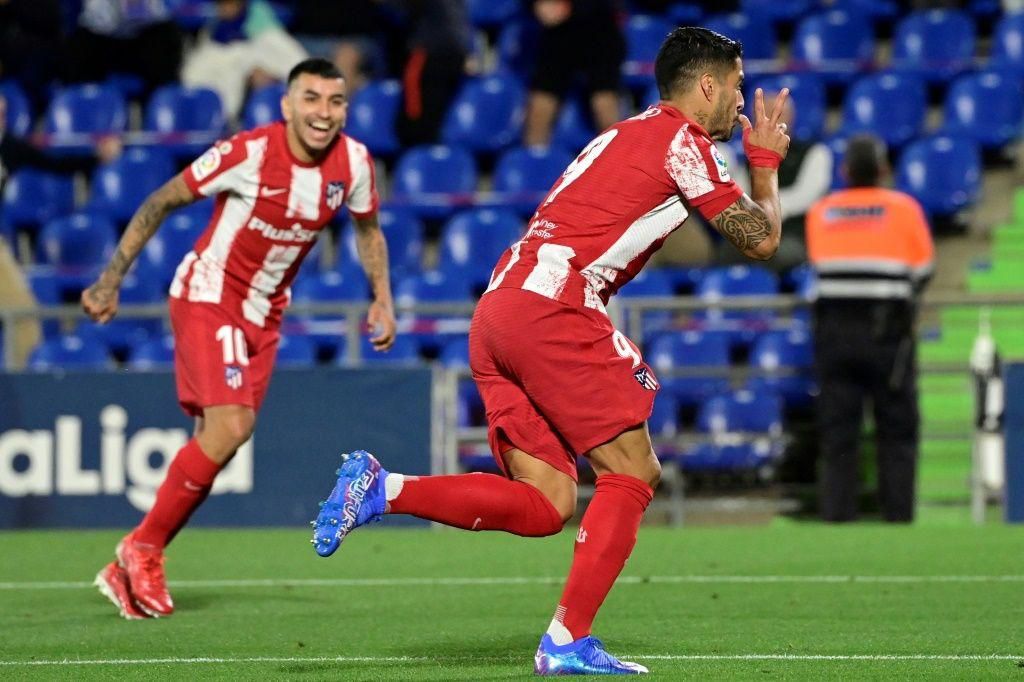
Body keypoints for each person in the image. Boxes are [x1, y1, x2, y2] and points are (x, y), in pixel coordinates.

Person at [310, 27, 790, 675]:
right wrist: (765, 167)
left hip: (501, 306)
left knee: (547, 505)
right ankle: (566, 640)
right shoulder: (684, 141)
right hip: (555, 306)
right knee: (633, 471)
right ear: (706, 84)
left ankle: (383, 489)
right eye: (735, 85)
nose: (740, 101)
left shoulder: (625, 132)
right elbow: (760, 242)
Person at [82, 58, 397, 619]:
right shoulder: (246, 153)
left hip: (267, 314)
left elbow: (368, 230)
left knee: (220, 441)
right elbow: (161, 200)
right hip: (210, 293)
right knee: (233, 425)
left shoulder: (354, 163)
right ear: (286, 105)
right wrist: (110, 282)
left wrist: (382, 297)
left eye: (336, 101)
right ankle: (142, 548)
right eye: (311, 98)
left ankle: (132, 560)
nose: (324, 113)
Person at [805, 134, 934, 523]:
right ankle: (897, 518)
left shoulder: (821, 211)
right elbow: (924, 271)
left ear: (845, 171)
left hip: (834, 333)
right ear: (883, 170)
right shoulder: (904, 208)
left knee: (838, 432)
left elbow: (818, 265)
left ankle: (838, 517)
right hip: (887, 334)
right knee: (896, 430)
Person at [716, 90, 832, 272]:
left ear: (791, 118)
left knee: (775, 255)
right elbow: (742, 195)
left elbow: (807, 195)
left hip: (793, 234)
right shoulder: (746, 156)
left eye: (779, 114)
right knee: (727, 252)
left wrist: (766, 210)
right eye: (766, 114)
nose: (772, 120)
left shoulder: (814, 152)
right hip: (755, 233)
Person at [523, 0, 626, 148]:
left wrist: (572, 7)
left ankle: (618, 163)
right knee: (540, 107)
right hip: (556, 37)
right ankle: (534, 163)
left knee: (604, 105)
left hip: (600, 33)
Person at [181, 0, 308, 121]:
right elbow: (191, 76)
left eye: (231, 4)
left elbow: (301, 68)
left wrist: (273, 77)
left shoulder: (266, 32)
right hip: (217, 113)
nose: (226, 9)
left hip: (279, 107)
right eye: (222, 5)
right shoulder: (213, 30)